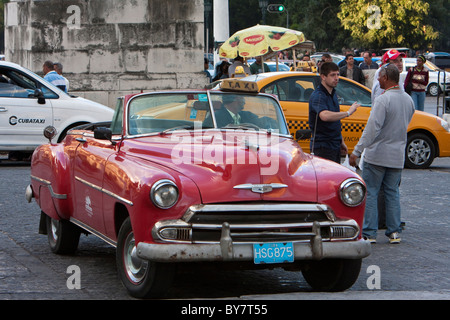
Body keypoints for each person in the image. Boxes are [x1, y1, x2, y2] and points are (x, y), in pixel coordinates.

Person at [349, 64, 415, 244]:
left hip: (377, 154)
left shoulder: (383, 100)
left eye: (379, 77)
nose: (377, 80)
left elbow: (372, 129)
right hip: (396, 155)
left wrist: (357, 151)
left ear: (386, 78)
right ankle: (394, 232)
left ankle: (370, 233)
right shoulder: (408, 100)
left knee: (371, 192)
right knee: (392, 193)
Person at [308, 62, 360, 163]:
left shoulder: (333, 93)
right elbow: (325, 116)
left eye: (337, 74)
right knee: (325, 177)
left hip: (334, 144)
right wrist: (348, 113)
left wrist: (341, 141)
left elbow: (335, 122)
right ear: (323, 76)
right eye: (332, 75)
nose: (336, 78)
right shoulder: (318, 95)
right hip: (323, 146)